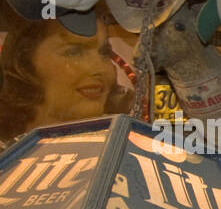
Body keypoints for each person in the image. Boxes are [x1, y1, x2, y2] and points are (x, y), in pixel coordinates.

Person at [0, 13, 131, 144]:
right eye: (74, 52)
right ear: (24, 63)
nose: (99, 69)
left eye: (104, 52)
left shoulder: (127, 145)